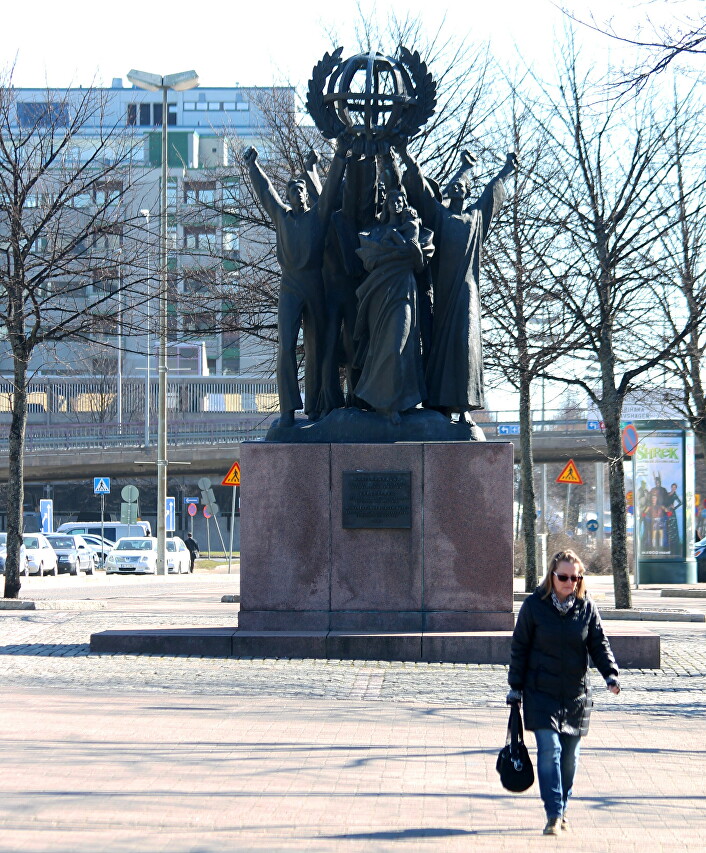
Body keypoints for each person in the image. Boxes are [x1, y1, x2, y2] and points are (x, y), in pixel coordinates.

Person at [397, 142, 517, 424]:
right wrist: (406, 156)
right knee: (441, 345)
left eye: (463, 186)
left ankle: (464, 407)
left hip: (467, 294)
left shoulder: (475, 217)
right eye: (454, 186)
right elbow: (422, 191)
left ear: (467, 191)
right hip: (443, 293)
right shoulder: (439, 216)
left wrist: (506, 171)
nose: (458, 189)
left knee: (466, 345)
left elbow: (491, 195)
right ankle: (439, 403)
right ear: (449, 192)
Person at [507, 549, 621, 836]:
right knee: (550, 751)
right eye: (563, 577)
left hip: (575, 696)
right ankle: (554, 814)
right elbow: (519, 647)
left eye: (575, 577)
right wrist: (515, 687)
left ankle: (563, 807)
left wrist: (610, 673)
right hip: (540, 692)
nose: (569, 582)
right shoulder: (534, 606)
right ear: (552, 575)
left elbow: (599, 644)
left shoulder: (586, 607)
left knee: (569, 760)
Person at [243, 138, 349, 426]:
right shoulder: (282, 217)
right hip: (290, 286)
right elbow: (265, 192)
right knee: (287, 345)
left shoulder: (319, 215)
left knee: (317, 346)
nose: (298, 192)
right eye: (293, 189)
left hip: (315, 284)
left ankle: (316, 407)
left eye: (301, 188)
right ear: (288, 196)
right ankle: (288, 410)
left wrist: (340, 153)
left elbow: (329, 190)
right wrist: (253, 165)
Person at [353, 188, 433, 423]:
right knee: (381, 348)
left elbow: (418, 262)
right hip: (379, 292)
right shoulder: (376, 231)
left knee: (401, 346)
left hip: (404, 290)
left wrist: (410, 238)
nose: (396, 203)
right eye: (392, 200)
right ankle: (383, 403)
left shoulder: (414, 230)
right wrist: (401, 251)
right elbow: (370, 261)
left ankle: (398, 402)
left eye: (400, 199)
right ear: (386, 205)